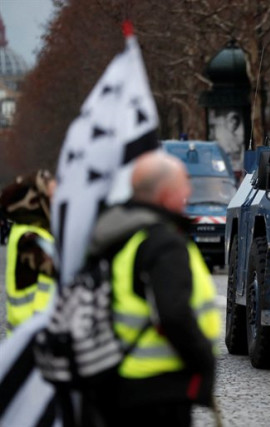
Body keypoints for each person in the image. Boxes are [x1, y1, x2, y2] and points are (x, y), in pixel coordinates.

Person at [84, 151, 221, 427]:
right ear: (165, 194)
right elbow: (173, 315)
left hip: (125, 381)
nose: (189, 192)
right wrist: (204, 360)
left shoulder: (124, 235)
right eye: (184, 184)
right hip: (161, 390)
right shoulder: (164, 243)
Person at [0, 170, 56, 336]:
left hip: (32, 330)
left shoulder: (30, 231)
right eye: (51, 196)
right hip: (33, 334)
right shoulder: (30, 238)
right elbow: (63, 268)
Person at [208, 107, 244, 173]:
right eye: (231, 122)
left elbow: (241, 154)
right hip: (223, 168)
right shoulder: (221, 137)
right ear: (227, 123)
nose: (233, 125)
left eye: (235, 123)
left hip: (237, 168)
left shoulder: (238, 138)